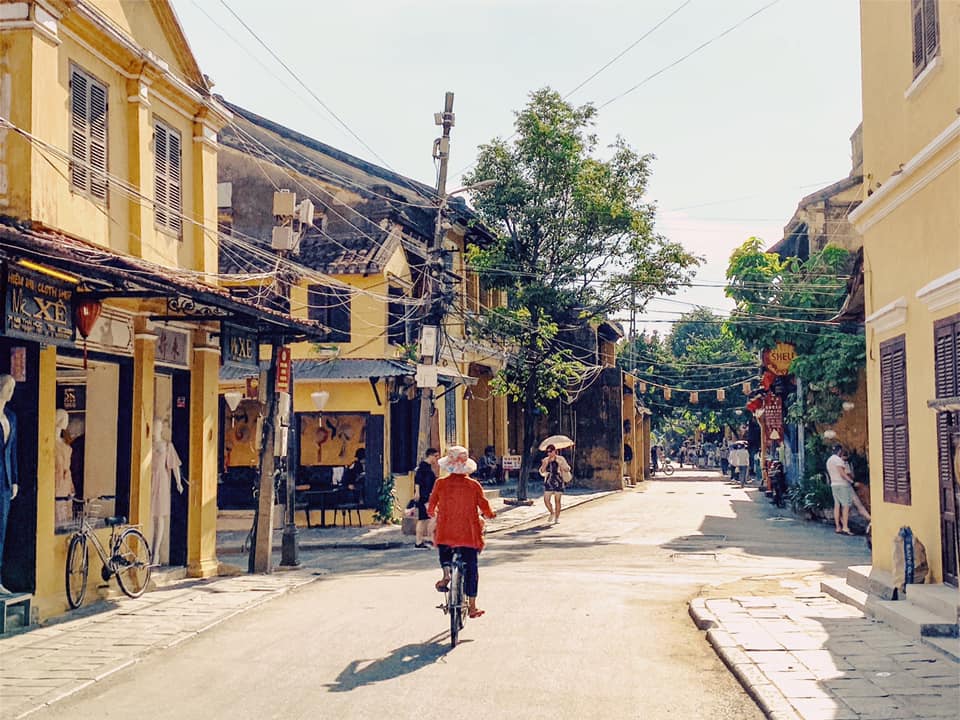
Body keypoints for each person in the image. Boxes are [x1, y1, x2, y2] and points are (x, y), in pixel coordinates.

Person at [427, 446, 496, 618]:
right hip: (468, 534)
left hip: (446, 531)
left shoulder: (440, 483)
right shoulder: (473, 485)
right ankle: (472, 606)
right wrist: (490, 514)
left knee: (444, 550)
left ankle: (446, 575)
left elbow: (432, 504)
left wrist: (432, 514)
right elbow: (484, 506)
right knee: (471, 568)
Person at [151, 418, 184, 564]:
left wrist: (178, 482)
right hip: (149, 480)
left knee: (159, 516)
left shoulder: (166, 445)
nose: (155, 429)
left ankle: (156, 552)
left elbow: (174, 465)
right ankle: (148, 551)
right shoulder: (148, 444)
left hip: (161, 481)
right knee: (150, 517)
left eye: (157, 427)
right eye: (153, 427)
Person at [0, 375, 19, 595]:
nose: (11, 392)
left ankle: (0, 579)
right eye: (8, 387)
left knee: (2, 532)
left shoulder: (11, 417)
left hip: (4, 483)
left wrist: (15, 479)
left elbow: (13, 450)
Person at [826, 444, 870, 535]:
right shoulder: (838, 460)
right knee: (846, 506)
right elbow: (842, 473)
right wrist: (851, 481)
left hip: (834, 484)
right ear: (840, 451)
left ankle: (838, 526)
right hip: (843, 485)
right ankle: (845, 527)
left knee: (837, 505)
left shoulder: (829, 460)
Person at [413, 448, 439, 548]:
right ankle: (427, 539)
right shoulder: (423, 467)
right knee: (431, 517)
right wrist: (417, 493)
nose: (437, 459)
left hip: (426, 495)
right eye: (435, 456)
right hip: (424, 496)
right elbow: (418, 480)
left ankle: (420, 540)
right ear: (430, 456)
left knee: (424, 519)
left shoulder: (427, 467)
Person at [539, 444, 571, 523]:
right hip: (549, 480)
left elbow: (567, 468)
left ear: (554, 451)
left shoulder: (560, 459)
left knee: (557, 500)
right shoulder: (546, 459)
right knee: (546, 500)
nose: (549, 453)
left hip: (558, 480)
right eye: (547, 452)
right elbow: (542, 471)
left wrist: (560, 464)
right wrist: (544, 464)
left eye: (550, 451)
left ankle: (557, 517)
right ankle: (551, 512)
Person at [54, 409, 74, 526]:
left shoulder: (65, 445)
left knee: (65, 514)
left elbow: (68, 468)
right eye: (64, 417)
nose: (66, 421)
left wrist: (71, 487)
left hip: (65, 484)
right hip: (57, 483)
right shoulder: (52, 444)